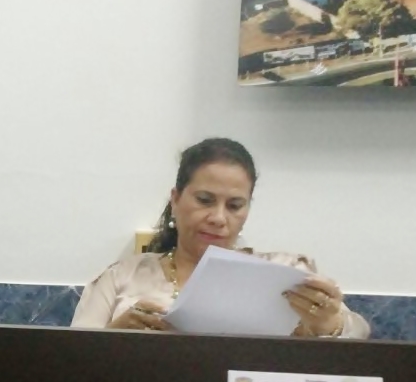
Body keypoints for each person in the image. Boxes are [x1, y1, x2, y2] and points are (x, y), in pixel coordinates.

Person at [70, 137, 369, 338]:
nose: (218, 218)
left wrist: (329, 324)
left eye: (235, 206)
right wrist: (116, 338)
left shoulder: (285, 275)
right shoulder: (122, 277)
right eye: (204, 200)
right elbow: (71, 363)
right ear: (176, 199)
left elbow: (360, 339)